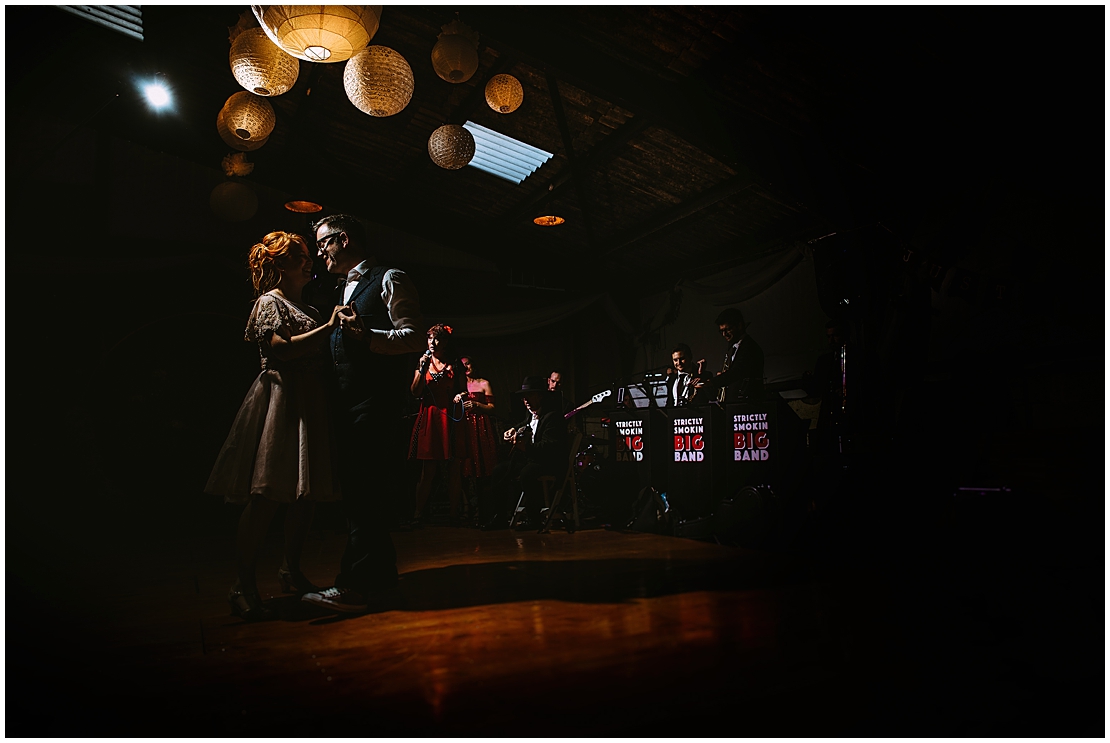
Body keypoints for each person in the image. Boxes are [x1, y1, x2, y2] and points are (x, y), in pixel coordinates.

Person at [205, 231, 352, 621]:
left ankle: (290, 569)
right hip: (281, 398)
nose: (310, 261)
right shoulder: (269, 302)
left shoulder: (311, 309)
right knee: (268, 493)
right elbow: (281, 349)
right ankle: (243, 583)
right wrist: (330, 329)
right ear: (281, 264)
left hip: (310, 400)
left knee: (305, 495)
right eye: (302, 256)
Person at [300, 214, 426, 614]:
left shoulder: (390, 278)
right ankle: (382, 582)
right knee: (360, 493)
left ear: (345, 239)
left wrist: (366, 336)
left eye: (323, 243)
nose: (319, 252)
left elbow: (413, 337)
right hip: (349, 401)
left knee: (363, 494)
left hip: (376, 402)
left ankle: (355, 586)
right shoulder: (341, 288)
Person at [480, 376, 569, 530]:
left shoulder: (552, 417)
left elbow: (550, 448)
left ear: (540, 396)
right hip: (532, 458)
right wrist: (513, 429)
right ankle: (500, 517)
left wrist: (526, 448)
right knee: (499, 471)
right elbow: (526, 424)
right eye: (523, 398)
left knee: (528, 473)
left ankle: (533, 517)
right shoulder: (531, 413)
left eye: (529, 396)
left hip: (549, 462)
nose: (525, 401)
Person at [409, 324, 467, 523]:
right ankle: (418, 513)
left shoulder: (456, 364)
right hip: (430, 417)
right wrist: (421, 367)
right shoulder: (423, 362)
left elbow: (463, 389)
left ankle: (454, 513)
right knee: (428, 470)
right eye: (430, 338)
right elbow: (415, 392)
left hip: (449, 417)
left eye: (437, 339)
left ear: (446, 342)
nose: (433, 343)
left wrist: (460, 396)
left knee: (453, 468)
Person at [455, 355, 499, 512]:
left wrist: (477, 404)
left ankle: (486, 505)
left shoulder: (484, 383)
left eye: (468, 364)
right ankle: (467, 507)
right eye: (462, 366)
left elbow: (493, 408)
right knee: (465, 467)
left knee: (484, 463)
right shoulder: (459, 385)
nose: (466, 368)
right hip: (464, 427)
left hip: (481, 425)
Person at [700, 307, 765, 403]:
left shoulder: (749, 347)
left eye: (728, 329)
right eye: (721, 331)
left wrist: (712, 382)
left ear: (739, 325)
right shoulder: (733, 348)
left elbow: (737, 372)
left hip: (747, 404)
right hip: (734, 404)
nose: (724, 334)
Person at [666, 343, 707, 408]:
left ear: (690, 357)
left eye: (682, 359)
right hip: (675, 416)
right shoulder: (672, 379)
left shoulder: (703, 375)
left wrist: (701, 375)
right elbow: (670, 402)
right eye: (675, 360)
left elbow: (712, 396)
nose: (678, 363)